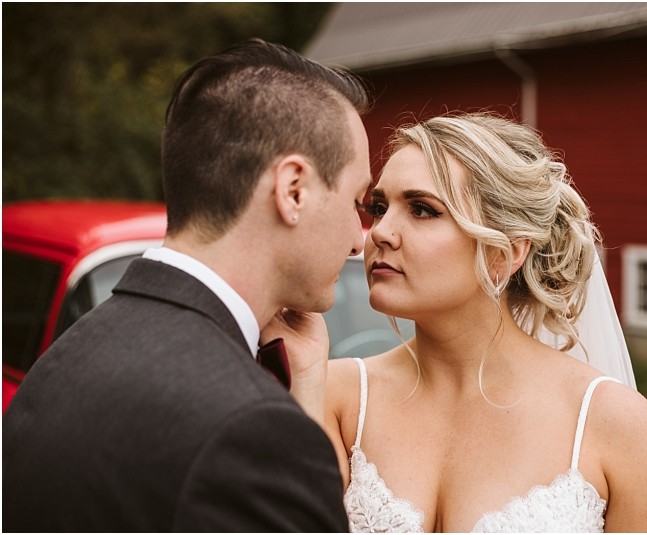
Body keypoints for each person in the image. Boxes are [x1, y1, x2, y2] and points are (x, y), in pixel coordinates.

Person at [3, 38, 372, 532]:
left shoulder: (60, 362)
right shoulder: (253, 430)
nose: (358, 239)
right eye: (357, 200)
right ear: (293, 191)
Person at [277, 113, 647, 532]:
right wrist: (305, 380)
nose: (379, 232)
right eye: (378, 208)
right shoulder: (335, 397)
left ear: (503, 253)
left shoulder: (616, 426)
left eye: (422, 210)